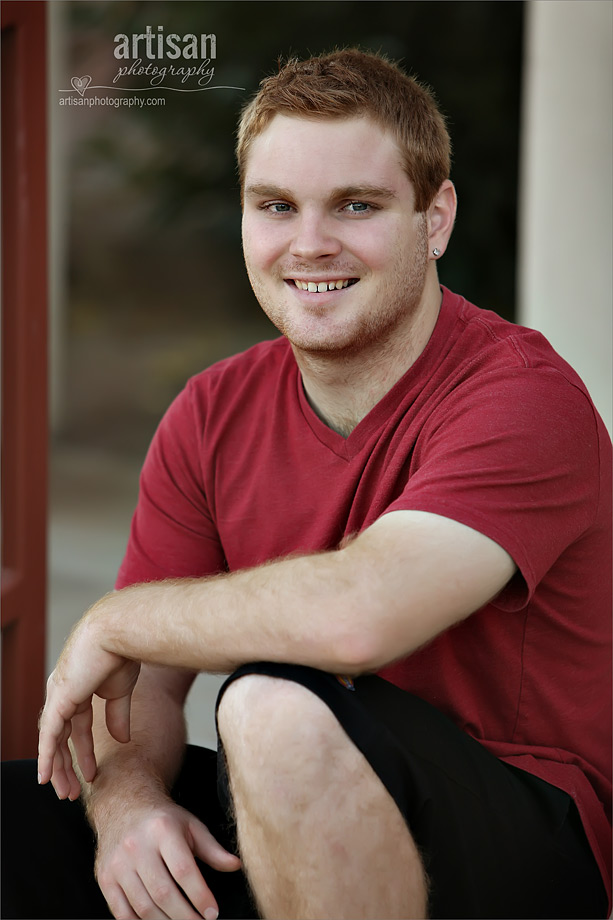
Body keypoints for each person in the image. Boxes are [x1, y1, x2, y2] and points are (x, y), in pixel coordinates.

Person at [3, 49, 611, 920]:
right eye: (276, 206)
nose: (310, 243)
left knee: (270, 708)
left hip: (520, 838)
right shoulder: (213, 409)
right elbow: (136, 692)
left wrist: (115, 617)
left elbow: (358, 616)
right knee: (15, 828)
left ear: (434, 219)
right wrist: (130, 807)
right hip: (292, 800)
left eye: (356, 206)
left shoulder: (524, 398)